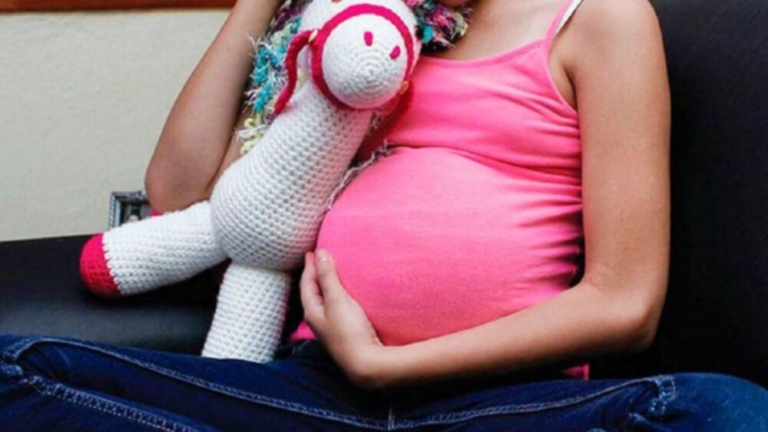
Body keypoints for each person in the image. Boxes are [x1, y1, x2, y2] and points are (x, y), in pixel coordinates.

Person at [1, 0, 767, 430]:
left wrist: (388, 365)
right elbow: (179, 192)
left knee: (725, 411)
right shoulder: (360, 35)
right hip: (314, 393)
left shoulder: (596, 18)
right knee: (15, 369)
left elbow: (625, 303)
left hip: (505, 402)